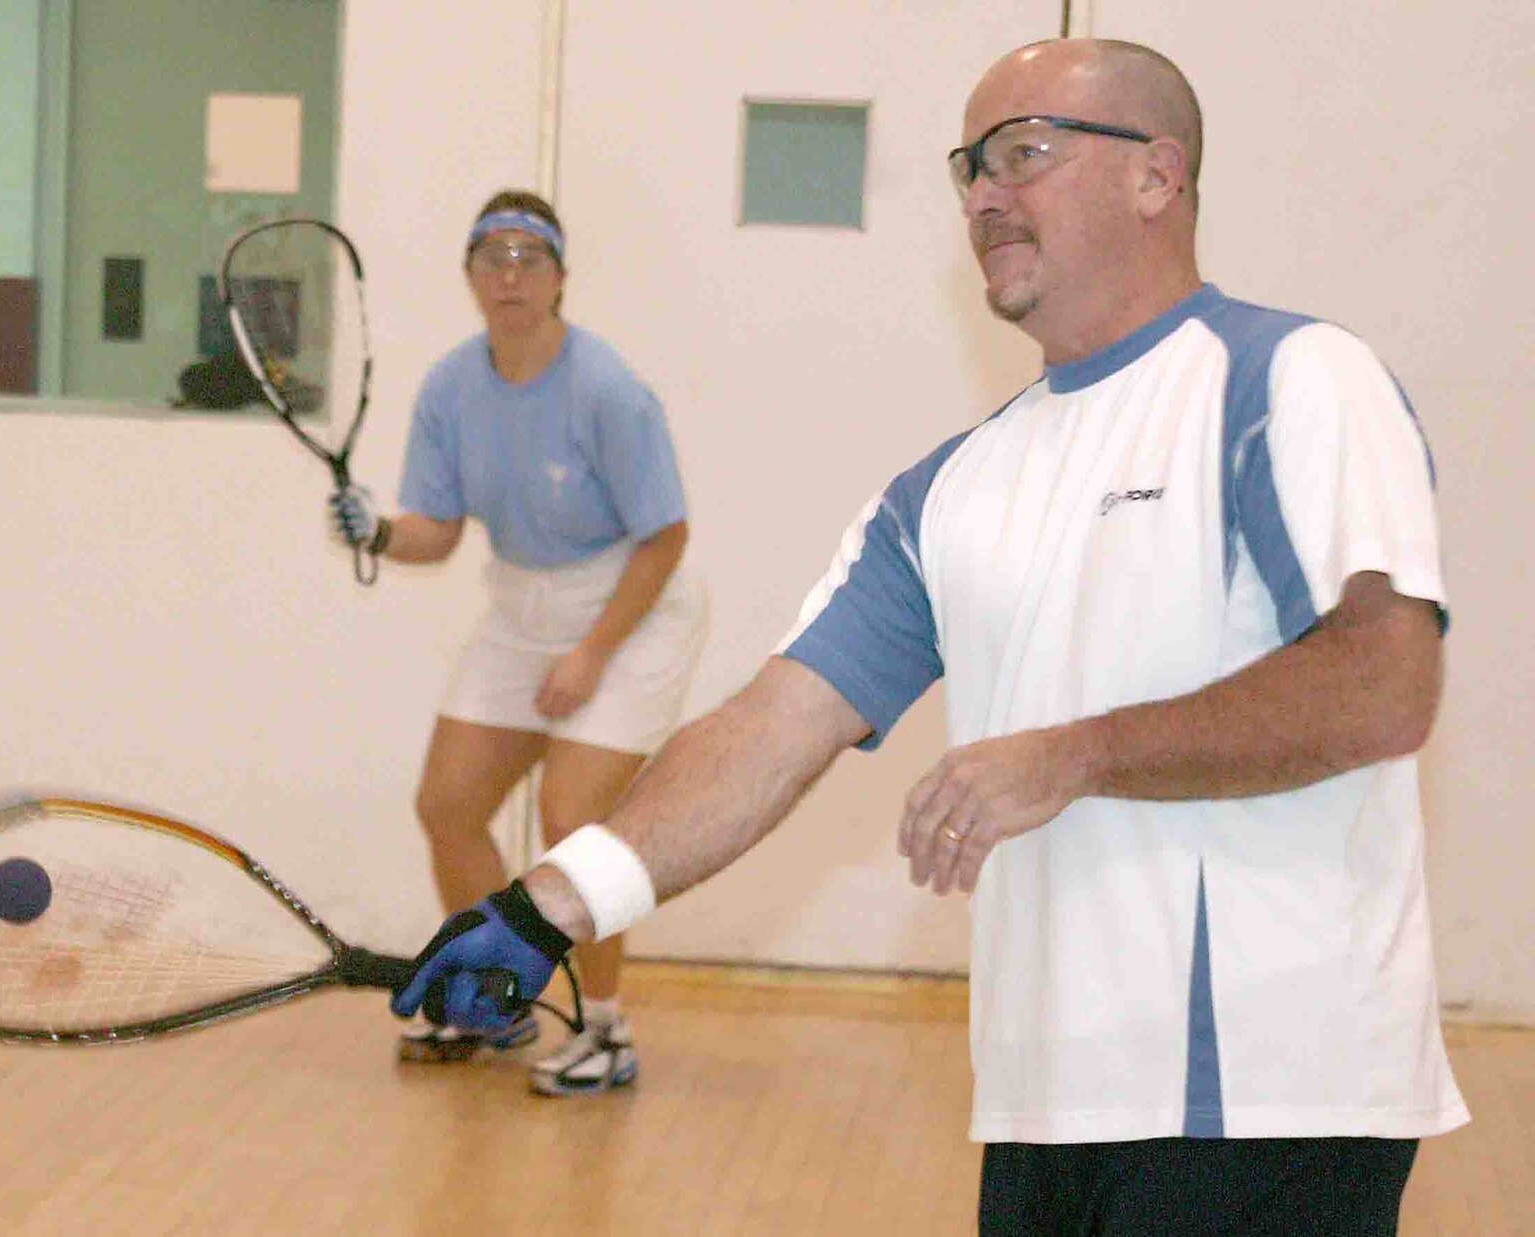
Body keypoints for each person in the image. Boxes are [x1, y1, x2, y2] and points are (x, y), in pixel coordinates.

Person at [391, 39, 1468, 1235]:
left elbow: (1380, 683)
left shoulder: (1290, 380)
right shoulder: (951, 486)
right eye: (970, 166)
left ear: (1156, 177)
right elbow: (770, 725)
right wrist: (547, 905)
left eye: (1025, 152)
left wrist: (1076, 751)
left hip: (1274, 1095)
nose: (984, 196)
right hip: (1044, 1108)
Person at [331, 189, 708, 1096]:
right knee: (448, 801)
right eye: (491, 257)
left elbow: (666, 538)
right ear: (469, 276)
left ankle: (607, 1029)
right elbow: (441, 532)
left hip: (633, 604)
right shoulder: (453, 386)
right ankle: (487, 998)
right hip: (521, 610)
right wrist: (378, 531)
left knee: (577, 822)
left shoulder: (607, 390)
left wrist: (591, 655)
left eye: (529, 258)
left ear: (560, 279)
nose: (510, 275)